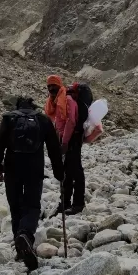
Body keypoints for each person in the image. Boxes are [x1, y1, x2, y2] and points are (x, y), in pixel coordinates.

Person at [0, 96, 63, 271]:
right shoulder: (43, 119)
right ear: (33, 107)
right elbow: (54, 147)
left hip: (12, 167)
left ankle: (20, 246)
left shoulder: (9, 118)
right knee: (32, 206)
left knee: (15, 206)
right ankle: (25, 235)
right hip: (34, 167)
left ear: (18, 106)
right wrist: (59, 171)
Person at [45, 74, 84, 215]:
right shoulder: (54, 102)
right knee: (66, 172)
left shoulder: (67, 100)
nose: (51, 88)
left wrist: (65, 142)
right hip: (64, 140)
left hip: (73, 139)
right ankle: (65, 203)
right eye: (49, 86)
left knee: (76, 170)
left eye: (53, 85)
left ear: (59, 85)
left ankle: (78, 204)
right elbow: (57, 123)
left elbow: (71, 121)